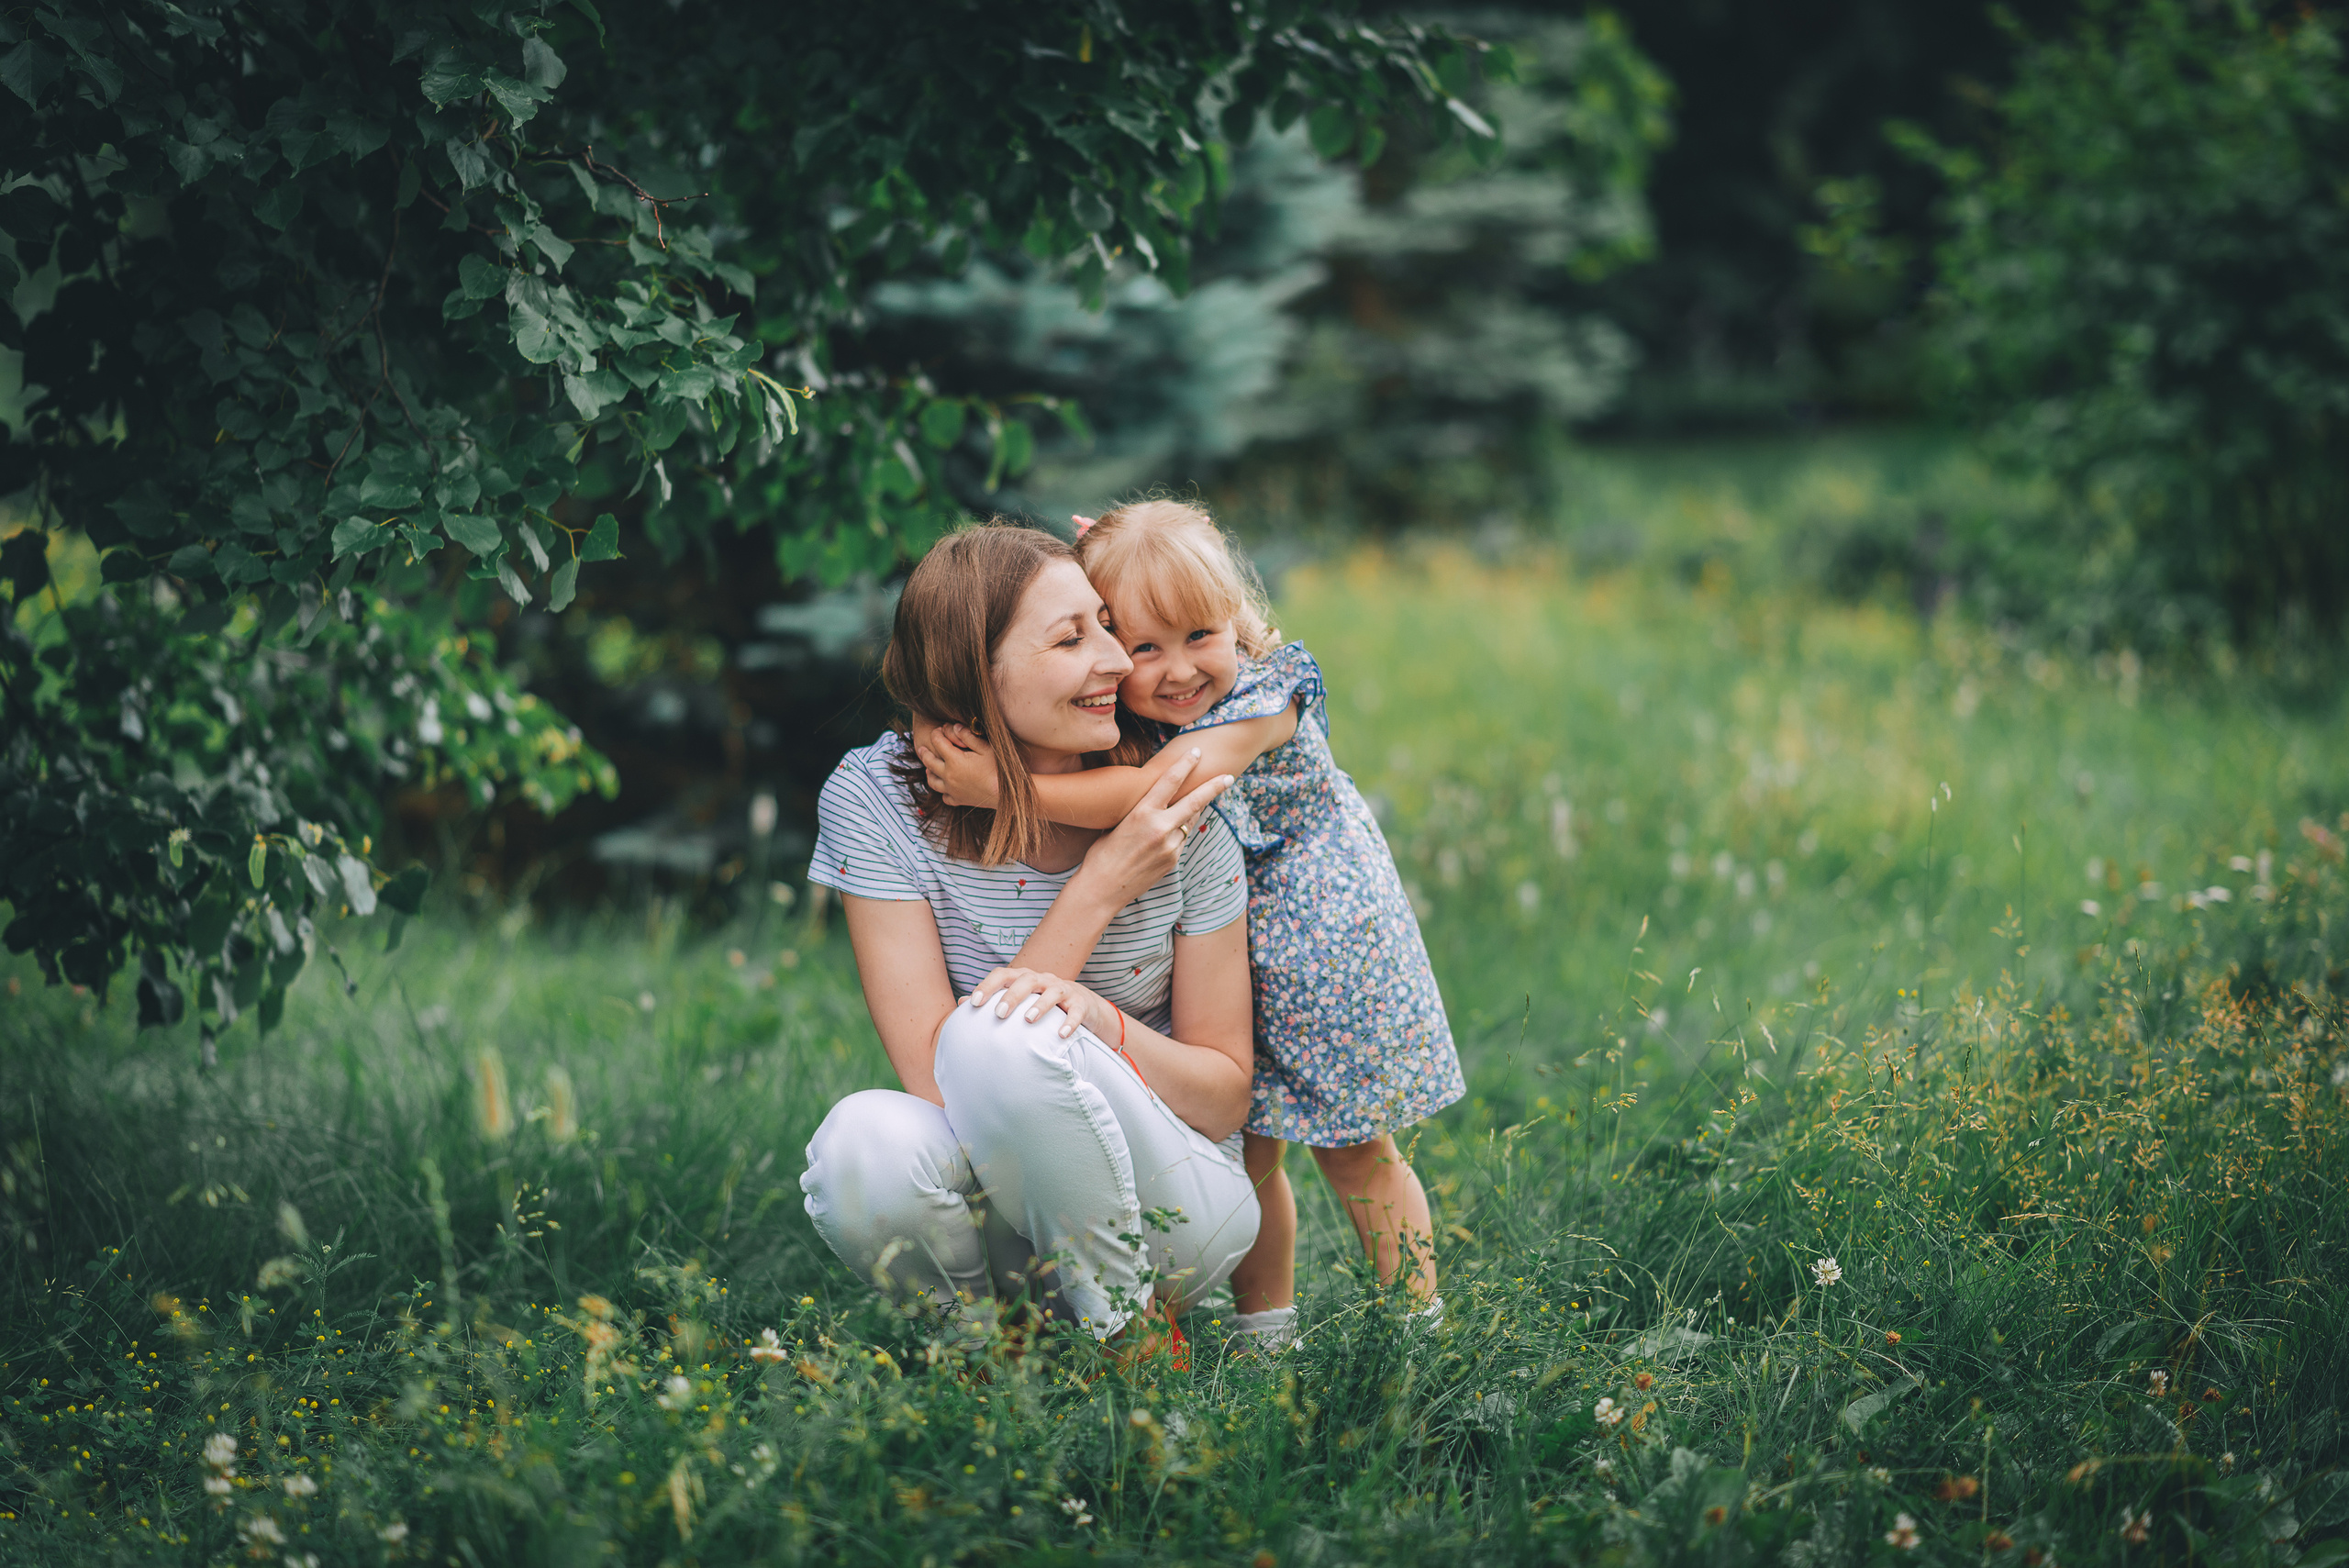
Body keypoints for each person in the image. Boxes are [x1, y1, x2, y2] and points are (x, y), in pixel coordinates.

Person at [915, 499, 1464, 1351]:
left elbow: (1159, 793)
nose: (1177, 670)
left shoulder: (1264, 692)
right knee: (1248, 1155)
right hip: (1231, 933)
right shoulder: (1141, 714)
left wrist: (1006, 790)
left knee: (1357, 1151)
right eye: (1144, 646)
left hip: (1321, 934)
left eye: (1199, 634)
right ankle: (1264, 1335)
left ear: (1236, 620)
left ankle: (1422, 1328)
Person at [798, 521, 1262, 1354]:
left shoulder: (1171, 784)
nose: (1119, 662)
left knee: (1005, 1031)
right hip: (1007, 1193)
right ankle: (986, 1362)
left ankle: (1129, 1341)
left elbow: (1227, 1094)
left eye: (1107, 626)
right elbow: (941, 1083)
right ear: (976, 675)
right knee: (859, 1142)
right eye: (1072, 638)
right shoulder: (876, 800)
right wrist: (1101, 885)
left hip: (1180, 1203)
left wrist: (1098, 1021)